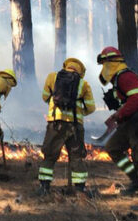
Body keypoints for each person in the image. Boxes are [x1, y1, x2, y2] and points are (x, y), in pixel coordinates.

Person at [97, 46, 138, 210]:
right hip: (130, 122)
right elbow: (128, 101)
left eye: (105, 63)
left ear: (111, 62)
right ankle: (136, 181)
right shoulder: (118, 78)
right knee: (113, 147)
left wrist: (119, 114)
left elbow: (137, 98)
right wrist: (119, 114)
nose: (103, 68)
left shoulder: (125, 76)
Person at [37, 58, 95, 195]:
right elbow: (91, 107)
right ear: (81, 71)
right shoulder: (84, 84)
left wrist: (55, 106)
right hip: (75, 126)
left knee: (49, 155)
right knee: (77, 157)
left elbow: (45, 97)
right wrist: (80, 112)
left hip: (55, 124)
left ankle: (44, 188)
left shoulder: (52, 77)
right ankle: (80, 189)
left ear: (66, 66)